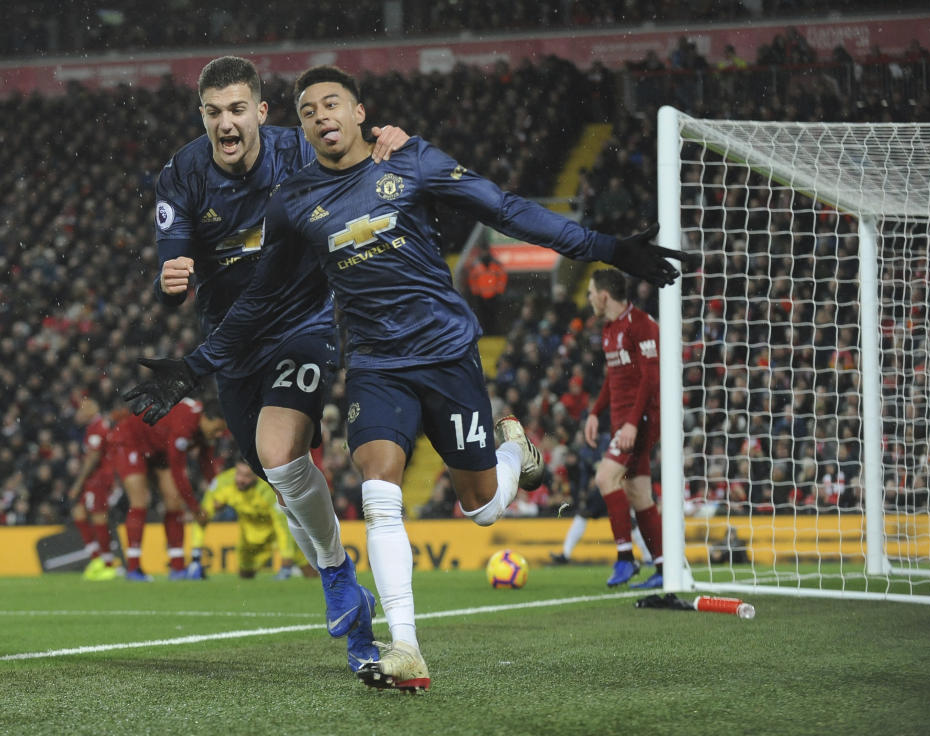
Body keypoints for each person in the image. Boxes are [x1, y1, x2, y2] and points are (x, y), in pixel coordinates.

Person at [124, 65, 686, 692]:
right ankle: (407, 648)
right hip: (372, 361)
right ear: (300, 126)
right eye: (308, 111)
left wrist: (605, 247)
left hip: (445, 353)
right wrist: (191, 366)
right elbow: (257, 298)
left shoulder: (411, 161)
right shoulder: (293, 200)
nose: (319, 117)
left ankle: (511, 456)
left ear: (362, 111)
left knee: (481, 509)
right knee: (377, 488)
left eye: (332, 104)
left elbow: (505, 210)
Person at [144, 56, 408, 671]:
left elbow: (365, 149)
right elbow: (173, 263)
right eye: (214, 113)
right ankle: (345, 588)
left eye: (237, 109)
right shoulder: (181, 175)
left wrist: (394, 140)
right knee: (283, 487)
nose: (226, 124)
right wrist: (170, 276)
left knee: (279, 452)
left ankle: (340, 581)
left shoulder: (298, 150)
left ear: (261, 111)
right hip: (231, 343)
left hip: (303, 325)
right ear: (202, 117)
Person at [583, 269, 665, 589]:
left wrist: (632, 422)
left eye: (591, 292)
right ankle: (663, 567)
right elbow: (613, 377)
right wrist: (595, 412)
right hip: (623, 420)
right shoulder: (609, 329)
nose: (589, 298)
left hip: (641, 419)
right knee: (639, 494)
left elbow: (650, 377)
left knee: (605, 477)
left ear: (604, 295)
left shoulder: (640, 324)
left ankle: (625, 558)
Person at [113, 398, 225, 581]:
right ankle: (133, 568)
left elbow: (207, 463)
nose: (219, 434)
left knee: (174, 502)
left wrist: (219, 495)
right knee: (140, 500)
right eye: (217, 428)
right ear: (205, 418)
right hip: (132, 440)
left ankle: (177, 567)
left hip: (160, 448)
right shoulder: (185, 424)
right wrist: (195, 509)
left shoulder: (205, 429)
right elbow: (178, 471)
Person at [190, 459, 315, 579]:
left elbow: (281, 524)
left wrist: (286, 557)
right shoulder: (223, 482)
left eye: (246, 476)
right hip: (250, 540)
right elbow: (202, 519)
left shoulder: (268, 488)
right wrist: (196, 557)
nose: (240, 479)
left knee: (310, 571)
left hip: (278, 534)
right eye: (238, 473)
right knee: (245, 576)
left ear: (256, 475)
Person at [67, 398, 123, 581]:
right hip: (94, 479)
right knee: (79, 512)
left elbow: (93, 458)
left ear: (93, 408)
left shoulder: (98, 426)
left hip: (100, 479)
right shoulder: (94, 426)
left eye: (83, 408)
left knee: (99, 517)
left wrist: (77, 484)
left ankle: (107, 564)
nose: (79, 413)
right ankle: (97, 558)